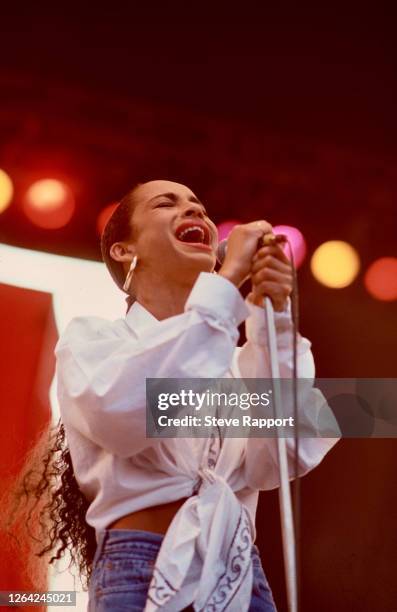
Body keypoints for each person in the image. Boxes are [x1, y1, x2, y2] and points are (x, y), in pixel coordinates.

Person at [52, 179, 339, 611]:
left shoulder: (238, 364)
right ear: (124, 250)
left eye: (199, 208)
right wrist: (226, 283)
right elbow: (127, 417)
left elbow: (278, 457)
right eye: (167, 204)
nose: (195, 213)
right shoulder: (95, 341)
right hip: (142, 567)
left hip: (239, 576)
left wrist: (274, 319)